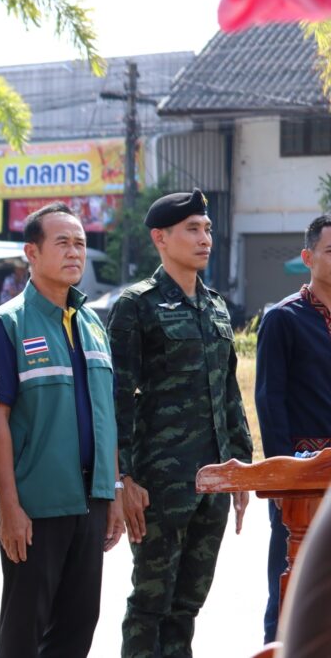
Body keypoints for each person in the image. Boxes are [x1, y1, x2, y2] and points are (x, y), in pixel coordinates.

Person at [108, 188, 253, 658]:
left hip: (214, 479)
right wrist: (122, 477)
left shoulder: (216, 305)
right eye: (192, 229)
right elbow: (116, 396)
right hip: (159, 483)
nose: (205, 238)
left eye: (207, 228)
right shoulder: (137, 305)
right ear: (161, 238)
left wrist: (242, 467)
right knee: (150, 604)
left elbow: (229, 391)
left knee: (188, 604)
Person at [0, 202, 124, 658]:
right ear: (32, 253)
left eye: (80, 243)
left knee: (77, 628)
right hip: (36, 507)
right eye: (62, 242)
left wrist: (114, 491)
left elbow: (106, 414)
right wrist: (7, 507)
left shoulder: (92, 323)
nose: (74, 252)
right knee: (24, 632)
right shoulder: (6, 324)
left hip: (91, 502)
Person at [255, 213, 331, 642]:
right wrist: (284, 478)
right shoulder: (284, 318)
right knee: (292, 588)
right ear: (308, 257)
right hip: (302, 478)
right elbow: (270, 401)